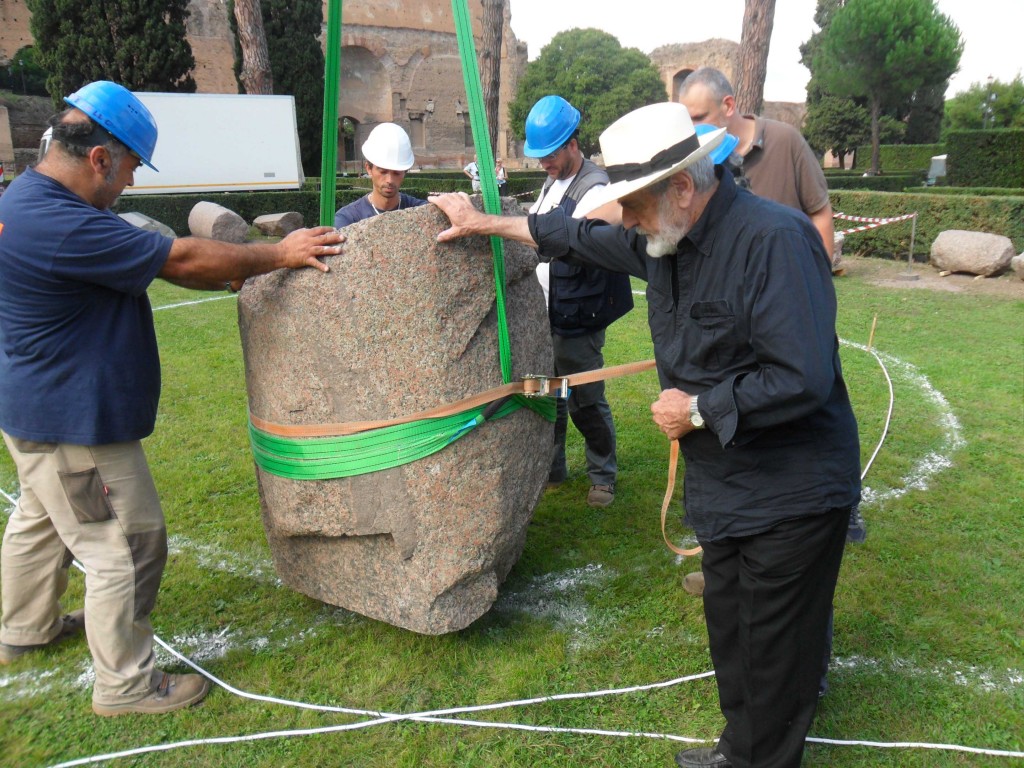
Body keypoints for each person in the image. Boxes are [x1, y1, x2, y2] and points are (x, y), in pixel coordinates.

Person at [430, 101, 861, 768]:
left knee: (776, 648)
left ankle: (759, 758)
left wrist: (698, 408)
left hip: (793, 491)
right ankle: (738, 748)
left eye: (632, 205)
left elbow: (801, 375)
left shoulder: (773, 241)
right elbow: (571, 235)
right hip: (723, 485)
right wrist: (481, 221)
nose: (624, 219)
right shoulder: (665, 238)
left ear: (682, 187)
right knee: (733, 634)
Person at [0, 81, 344, 716]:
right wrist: (278, 253)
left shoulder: (28, 198)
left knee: (41, 521)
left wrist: (233, 267)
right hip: (74, 421)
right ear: (100, 157)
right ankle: (127, 685)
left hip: (33, 406)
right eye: (130, 166)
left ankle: (24, 629)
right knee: (126, 542)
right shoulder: (59, 221)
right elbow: (180, 259)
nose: (129, 183)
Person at [524, 95, 633, 508]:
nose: (542, 164)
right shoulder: (553, 180)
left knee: (585, 399)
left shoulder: (596, 187)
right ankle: (552, 469)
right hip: (547, 310)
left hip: (579, 312)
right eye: (538, 157)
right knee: (547, 395)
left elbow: (559, 235)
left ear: (572, 142)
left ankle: (602, 476)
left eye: (548, 154)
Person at [678, 67, 840, 271]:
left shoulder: (785, 141)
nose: (693, 129)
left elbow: (819, 212)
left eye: (699, 117)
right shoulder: (696, 159)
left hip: (785, 283)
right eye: (688, 121)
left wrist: (819, 279)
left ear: (728, 105)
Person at [334, 123, 427, 227]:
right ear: (369, 168)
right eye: (383, 171)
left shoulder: (422, 211)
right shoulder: (347, 219)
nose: (390, 180)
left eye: (396, 173)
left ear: (405, 172)